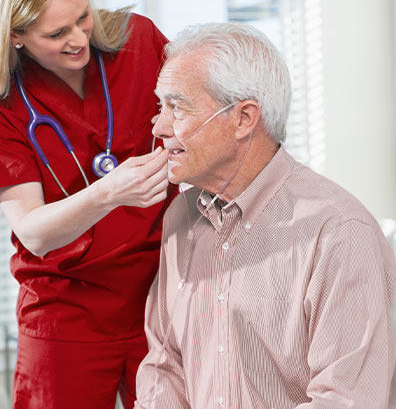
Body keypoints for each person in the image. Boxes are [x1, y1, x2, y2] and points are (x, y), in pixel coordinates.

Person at [134, 22, 396, 408]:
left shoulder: (339, 231)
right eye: (161, 106)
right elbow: (164, 365)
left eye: (177, 107)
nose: (159, 125)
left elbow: (346, 401)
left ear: (243, 118)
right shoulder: (181, 217)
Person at [0, 0, 176, 409]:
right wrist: (108, 194)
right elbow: (35, 233)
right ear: (14, 36)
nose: (79, 39)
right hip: (67, 311)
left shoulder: (139, 41)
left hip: (164, 297)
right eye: (56, 33)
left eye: (83, 18)